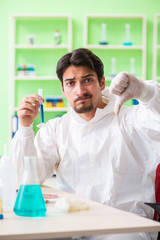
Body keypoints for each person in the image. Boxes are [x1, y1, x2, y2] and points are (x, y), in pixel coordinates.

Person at [11, 48, 160, 240]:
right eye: (71, 83)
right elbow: (23, 178)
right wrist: (24, 127)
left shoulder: (130, 119)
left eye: (87, 80)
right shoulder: (57, 128)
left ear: (102, 82)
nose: (79, 90)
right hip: (73, 225)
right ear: (63, 90)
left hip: (124, 227)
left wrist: (146, 92)